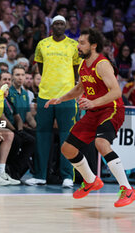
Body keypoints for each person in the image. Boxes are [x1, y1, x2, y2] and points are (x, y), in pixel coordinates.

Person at [45, 28, 135, 208]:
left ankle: (127, 189)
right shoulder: (82, 64)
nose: (78, 46)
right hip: (94, 112)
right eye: (78, 42)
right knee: (68, 148)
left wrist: (94, 103)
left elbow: (116, 91)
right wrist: (61, 98)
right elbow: (80, 88)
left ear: (93, 45)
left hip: (111, 109)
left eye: (82, 43)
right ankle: (91, 180)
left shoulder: (102, 64)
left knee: (101, 143)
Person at [26, 15, 80, 188]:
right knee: (42, 135)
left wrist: (73, 89)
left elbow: (76, 69)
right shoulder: (42, 44)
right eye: (55, 23)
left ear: (65, 26)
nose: (58, 26)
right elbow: (41, 68)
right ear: (51, 26)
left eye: (61, 24)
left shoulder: (73, 45)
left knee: (67, 136)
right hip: (45, 95)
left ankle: (67, 176)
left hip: (67, 96)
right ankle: (40, 175)